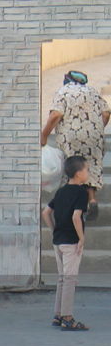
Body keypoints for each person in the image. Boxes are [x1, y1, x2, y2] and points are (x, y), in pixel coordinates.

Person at [41, 70, 109, 220]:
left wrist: (44, 134)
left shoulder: (63, 91)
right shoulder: (92, 91)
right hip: (93, 137)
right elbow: (106, 113)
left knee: (73, 170)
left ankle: (76, 207)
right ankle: (92, 199)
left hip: (72, 138)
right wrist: (97, 129)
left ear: (67, 80)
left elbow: (56, 115)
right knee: (89, 167)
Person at [41, 155, 90, 331]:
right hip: (71, 242)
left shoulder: (61, 191)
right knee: (70, 279)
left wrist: (54, 230)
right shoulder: (81, 193)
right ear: (78, 173)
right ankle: (68, 318)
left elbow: (46, 213)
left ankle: (58, 315)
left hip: (58, 240)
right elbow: (76, 216)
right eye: (86, 169)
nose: (88, 173)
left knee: (62, 279)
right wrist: (81, 238)